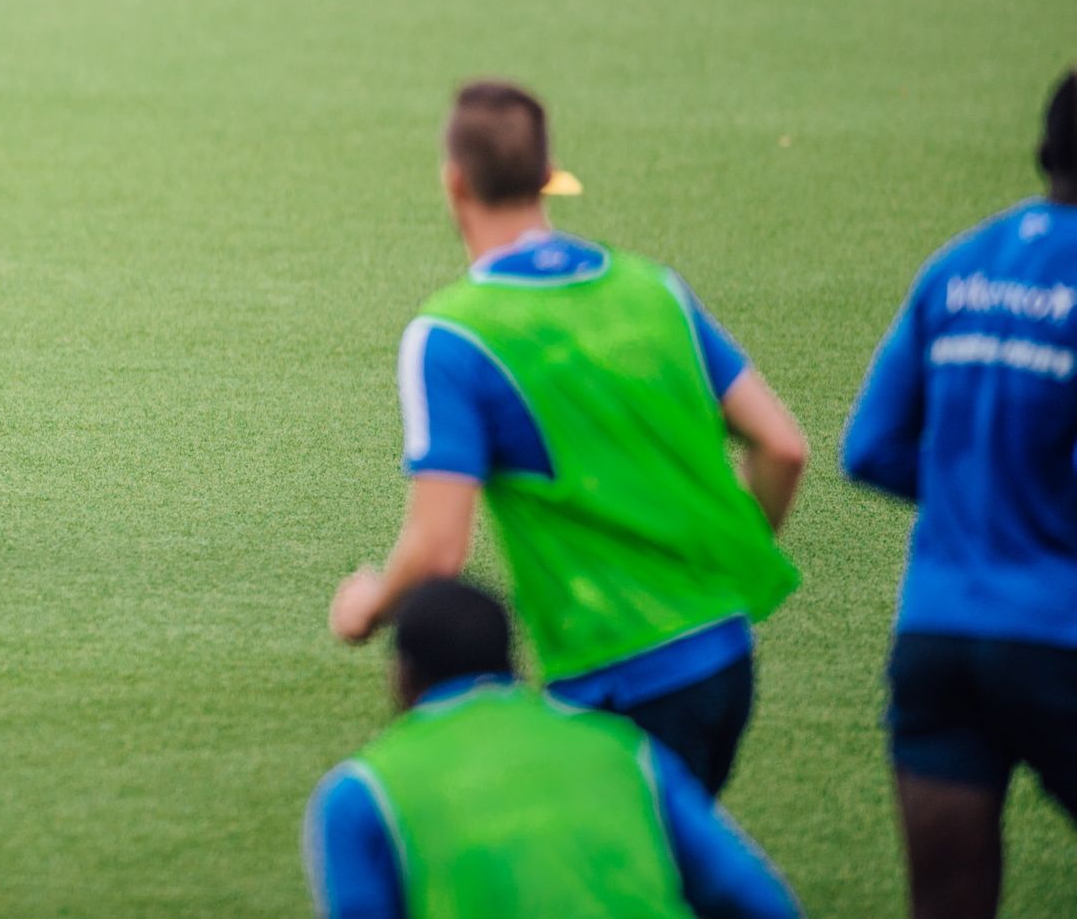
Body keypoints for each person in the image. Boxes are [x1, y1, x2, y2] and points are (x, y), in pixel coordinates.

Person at [330, 81, 809, 794]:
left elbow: (438, 551)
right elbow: (783, 447)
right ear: (547, 175)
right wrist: (712, 569)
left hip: (618, 674)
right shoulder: (654, 290)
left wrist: (368, 606)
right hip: (725, 654)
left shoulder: (455, 334)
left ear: (454, 182)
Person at [841, 67, 1077, 919]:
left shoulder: (959, 265)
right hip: (1059, 636)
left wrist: (972, 492)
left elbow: (869, 448)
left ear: (1044, 148)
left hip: (936, 638)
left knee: (946, 904)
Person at [305, 578, 801, 919]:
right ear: (512, 662)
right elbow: (754, 897)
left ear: (403, 675)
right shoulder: (622, 747)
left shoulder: (361, 792)